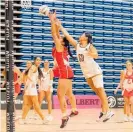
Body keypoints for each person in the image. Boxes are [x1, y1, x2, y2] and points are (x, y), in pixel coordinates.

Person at [55, 18, 114, 122]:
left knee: (101, 90)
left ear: (86, 38)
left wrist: (92, 54)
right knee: (97, 92)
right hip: (87, 74)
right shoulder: (77, 45)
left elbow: (96, 54)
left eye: (82, 34)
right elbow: (68, 36)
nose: (80, 35)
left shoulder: (89, 46)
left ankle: (109, 111)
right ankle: (104, 111)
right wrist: (60, 26)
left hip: (96, 72)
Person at [44, 11, 78, 128]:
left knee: (60, 94)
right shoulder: (62, 45)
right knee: (68, 93)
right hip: (67, 70)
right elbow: (56, 32)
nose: (59, 38)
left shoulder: (59, 46)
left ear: (63, 42)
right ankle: (73, 109)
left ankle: (64, 116)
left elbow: (54, 33)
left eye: (61, 38)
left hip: (65, 71)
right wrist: (53, 19)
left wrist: (52, 20)